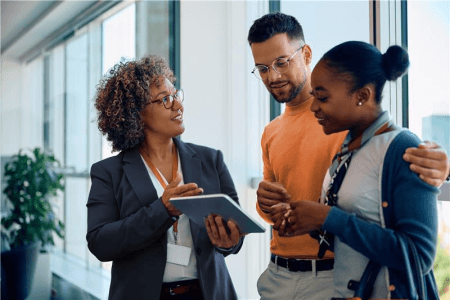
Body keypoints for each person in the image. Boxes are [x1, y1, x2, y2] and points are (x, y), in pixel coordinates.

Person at [247, 12, 449, 300]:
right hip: (279, 276)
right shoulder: (273, 131)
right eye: (263, 68)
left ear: (305, 54)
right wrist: (266, 205)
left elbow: (396, 154)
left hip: (335, 275)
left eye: (281, 62)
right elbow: (300, 205)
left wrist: (441, 164)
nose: (273, 76)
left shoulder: (344, 123)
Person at [86, 55, 244, 300]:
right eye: (165, 100)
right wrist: (162, 209)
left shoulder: (211, 160)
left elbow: (234, 233)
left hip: (208, 294)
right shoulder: (108, 173)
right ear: (136, 113)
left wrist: (229, 242)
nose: (178, 106)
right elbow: (100, 243)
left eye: (176, 96)